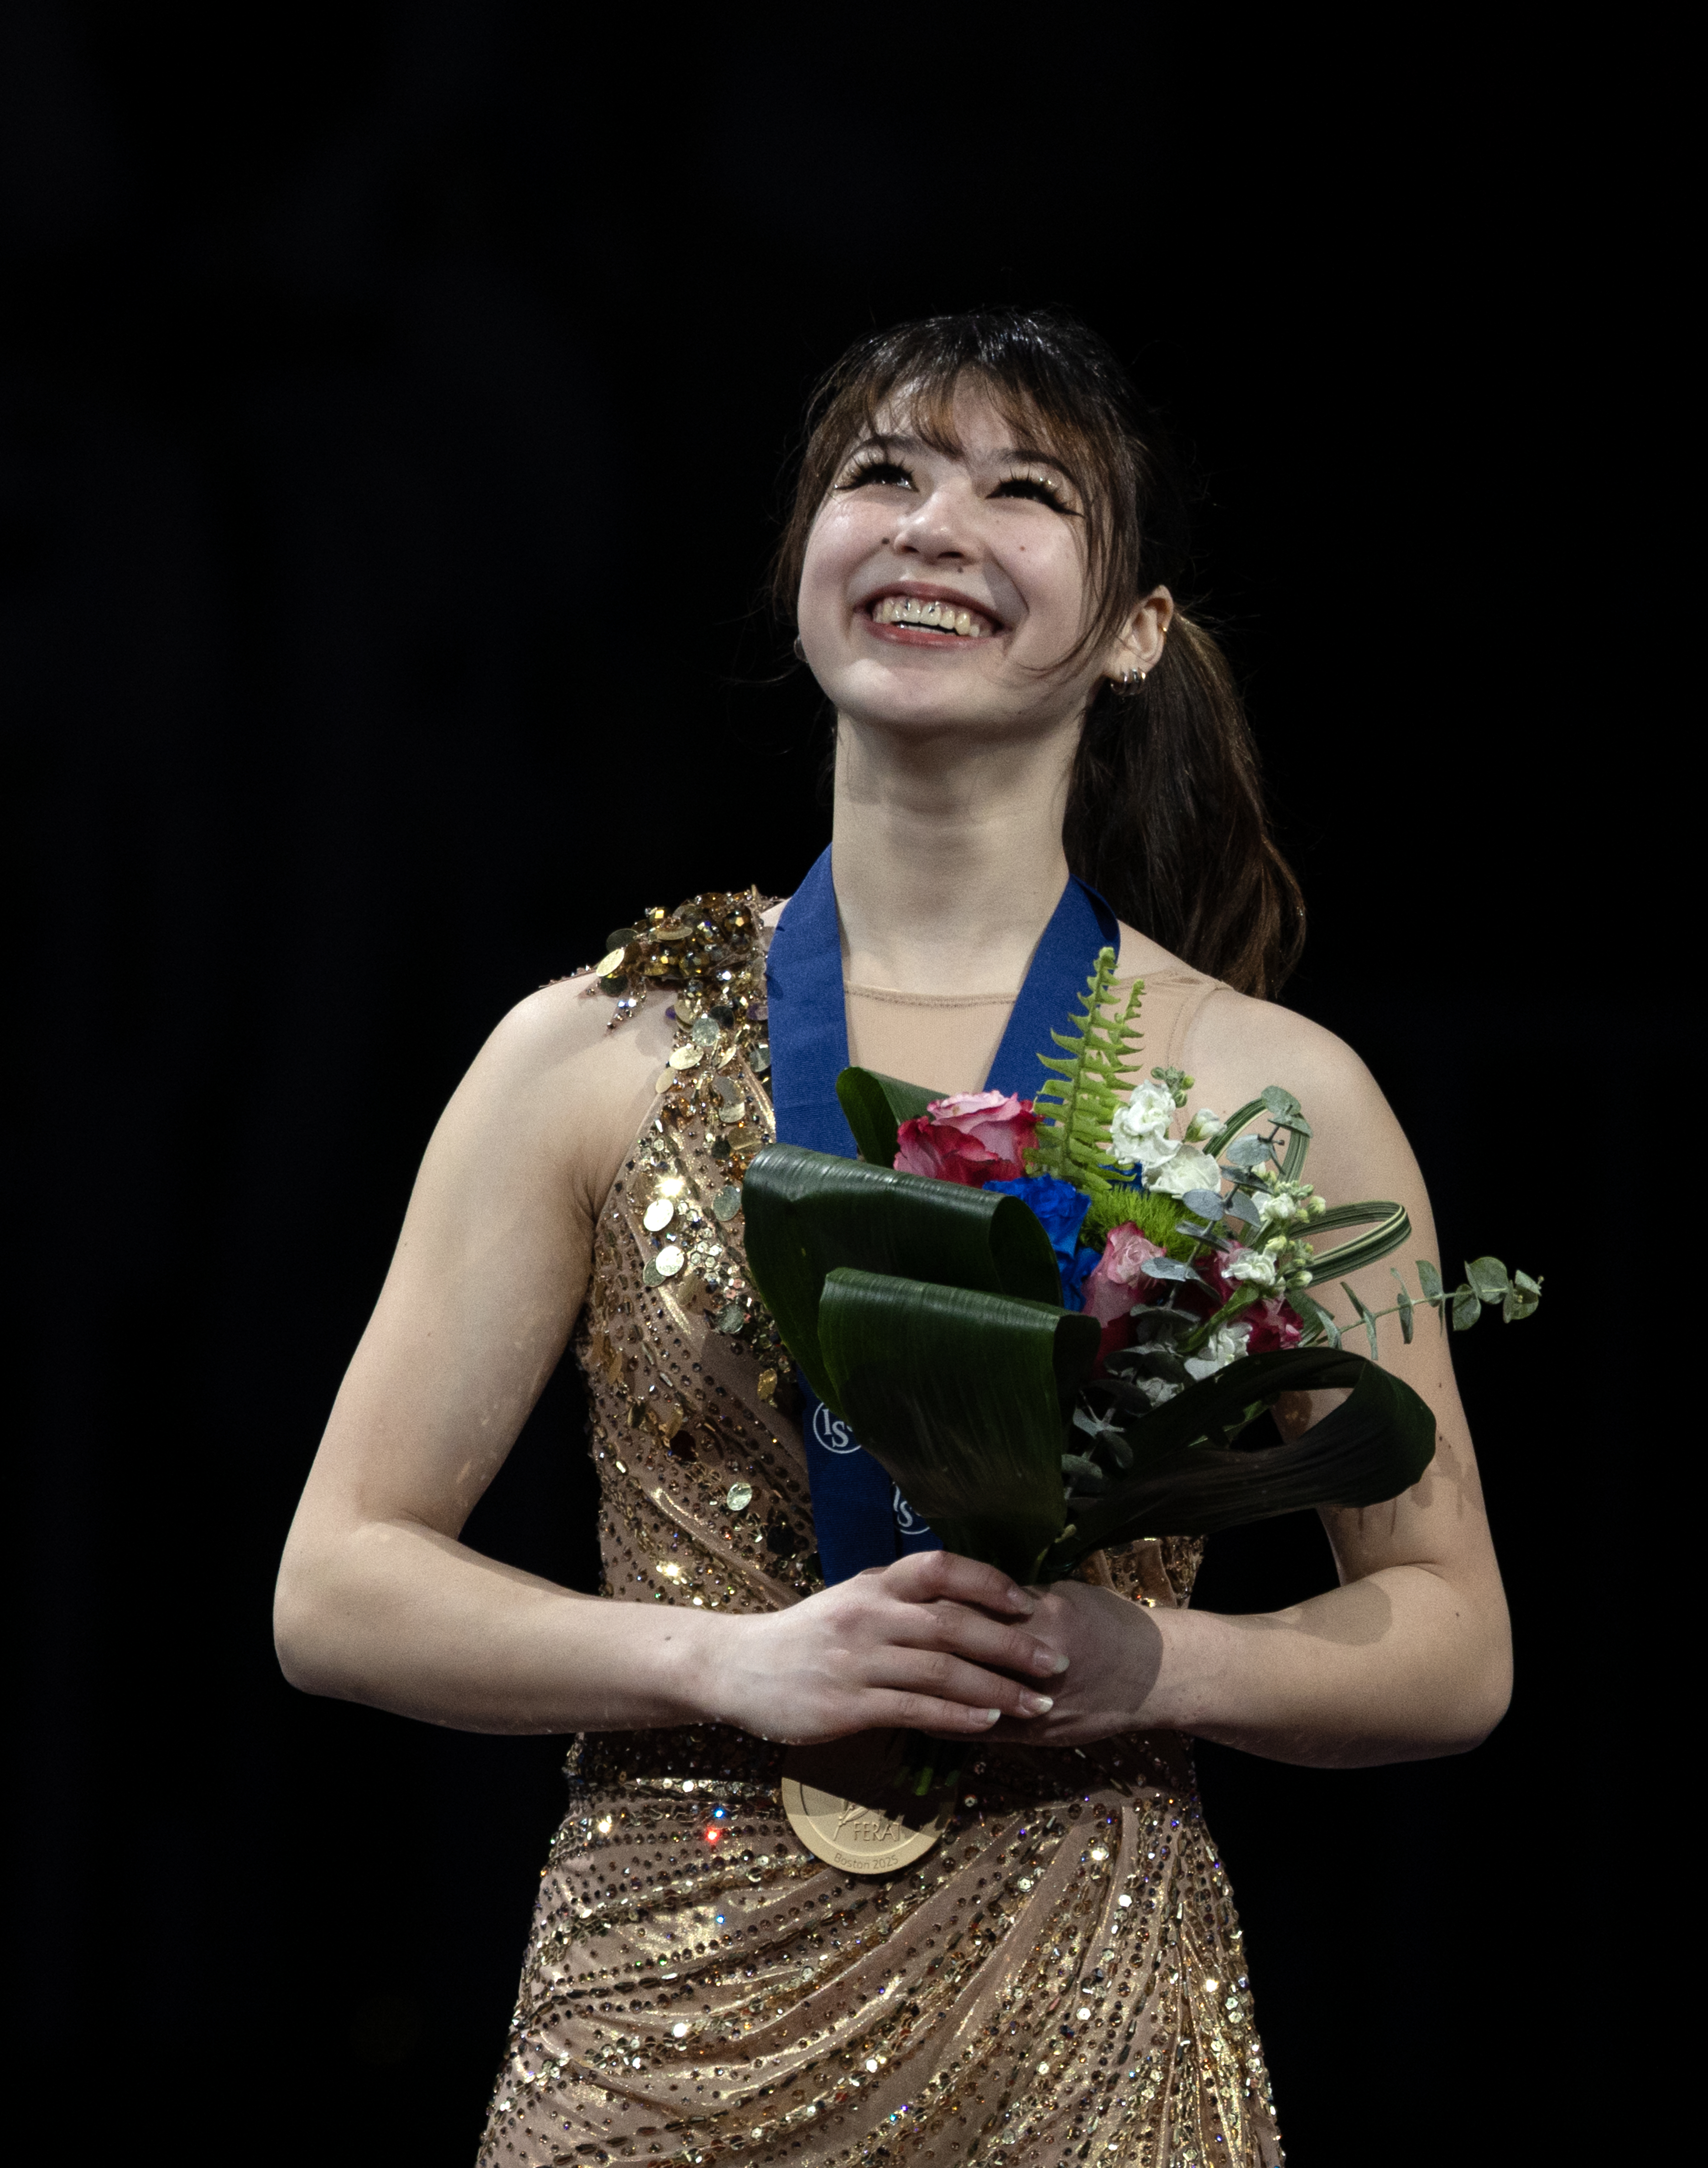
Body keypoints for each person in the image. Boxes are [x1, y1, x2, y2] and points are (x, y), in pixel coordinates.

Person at [272, 309, 1511, 2167]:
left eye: (1023, 492)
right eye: (882, 474)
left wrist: (1144, 1659)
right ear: (803, 570)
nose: (934, 524)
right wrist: (730, 1663)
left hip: (1084, 2015)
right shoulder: (589, 1052)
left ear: (1135, 630)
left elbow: (1448, 1639)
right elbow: (337, 1585)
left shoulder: (1267, 1088)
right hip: (663, 2004)